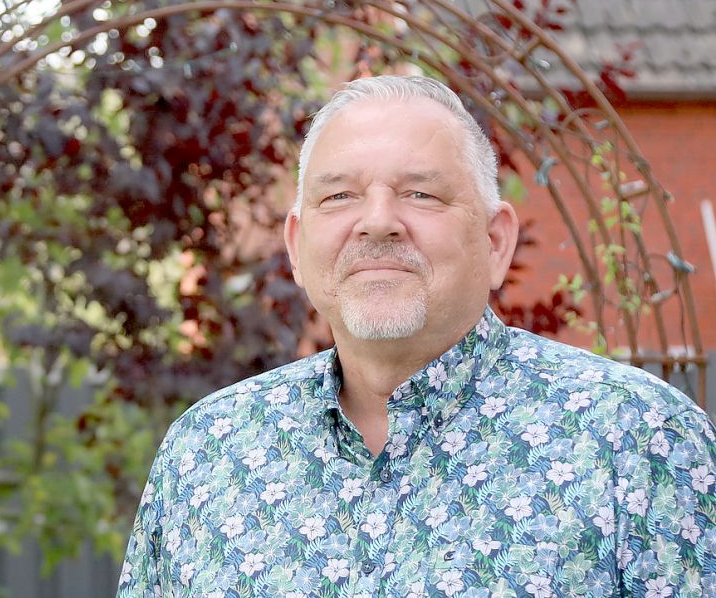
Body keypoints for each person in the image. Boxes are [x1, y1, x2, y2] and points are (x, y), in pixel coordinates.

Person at [118, 75, 716, 597]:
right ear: (297, 247)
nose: (377, 221)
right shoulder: (208, 453)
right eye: (340, 196)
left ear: (495, 241)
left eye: (420, 194)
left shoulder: (639, 441)